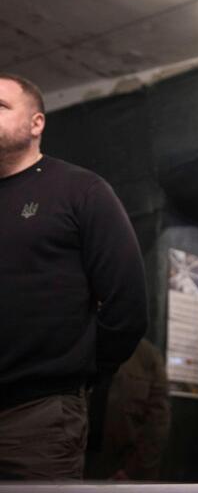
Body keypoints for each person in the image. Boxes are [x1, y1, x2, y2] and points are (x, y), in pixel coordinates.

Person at [0, 73, 148, 480]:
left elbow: (128, 307)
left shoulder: (81, 191)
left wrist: (78, 371)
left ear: (36, 123)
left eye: (1, 107)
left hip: (37, 417)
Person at [85, 338, 170, 481]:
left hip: (122, 470)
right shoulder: (83, 342)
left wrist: (133, 471)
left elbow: (158, 422)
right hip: (74, 465)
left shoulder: (147, 356)